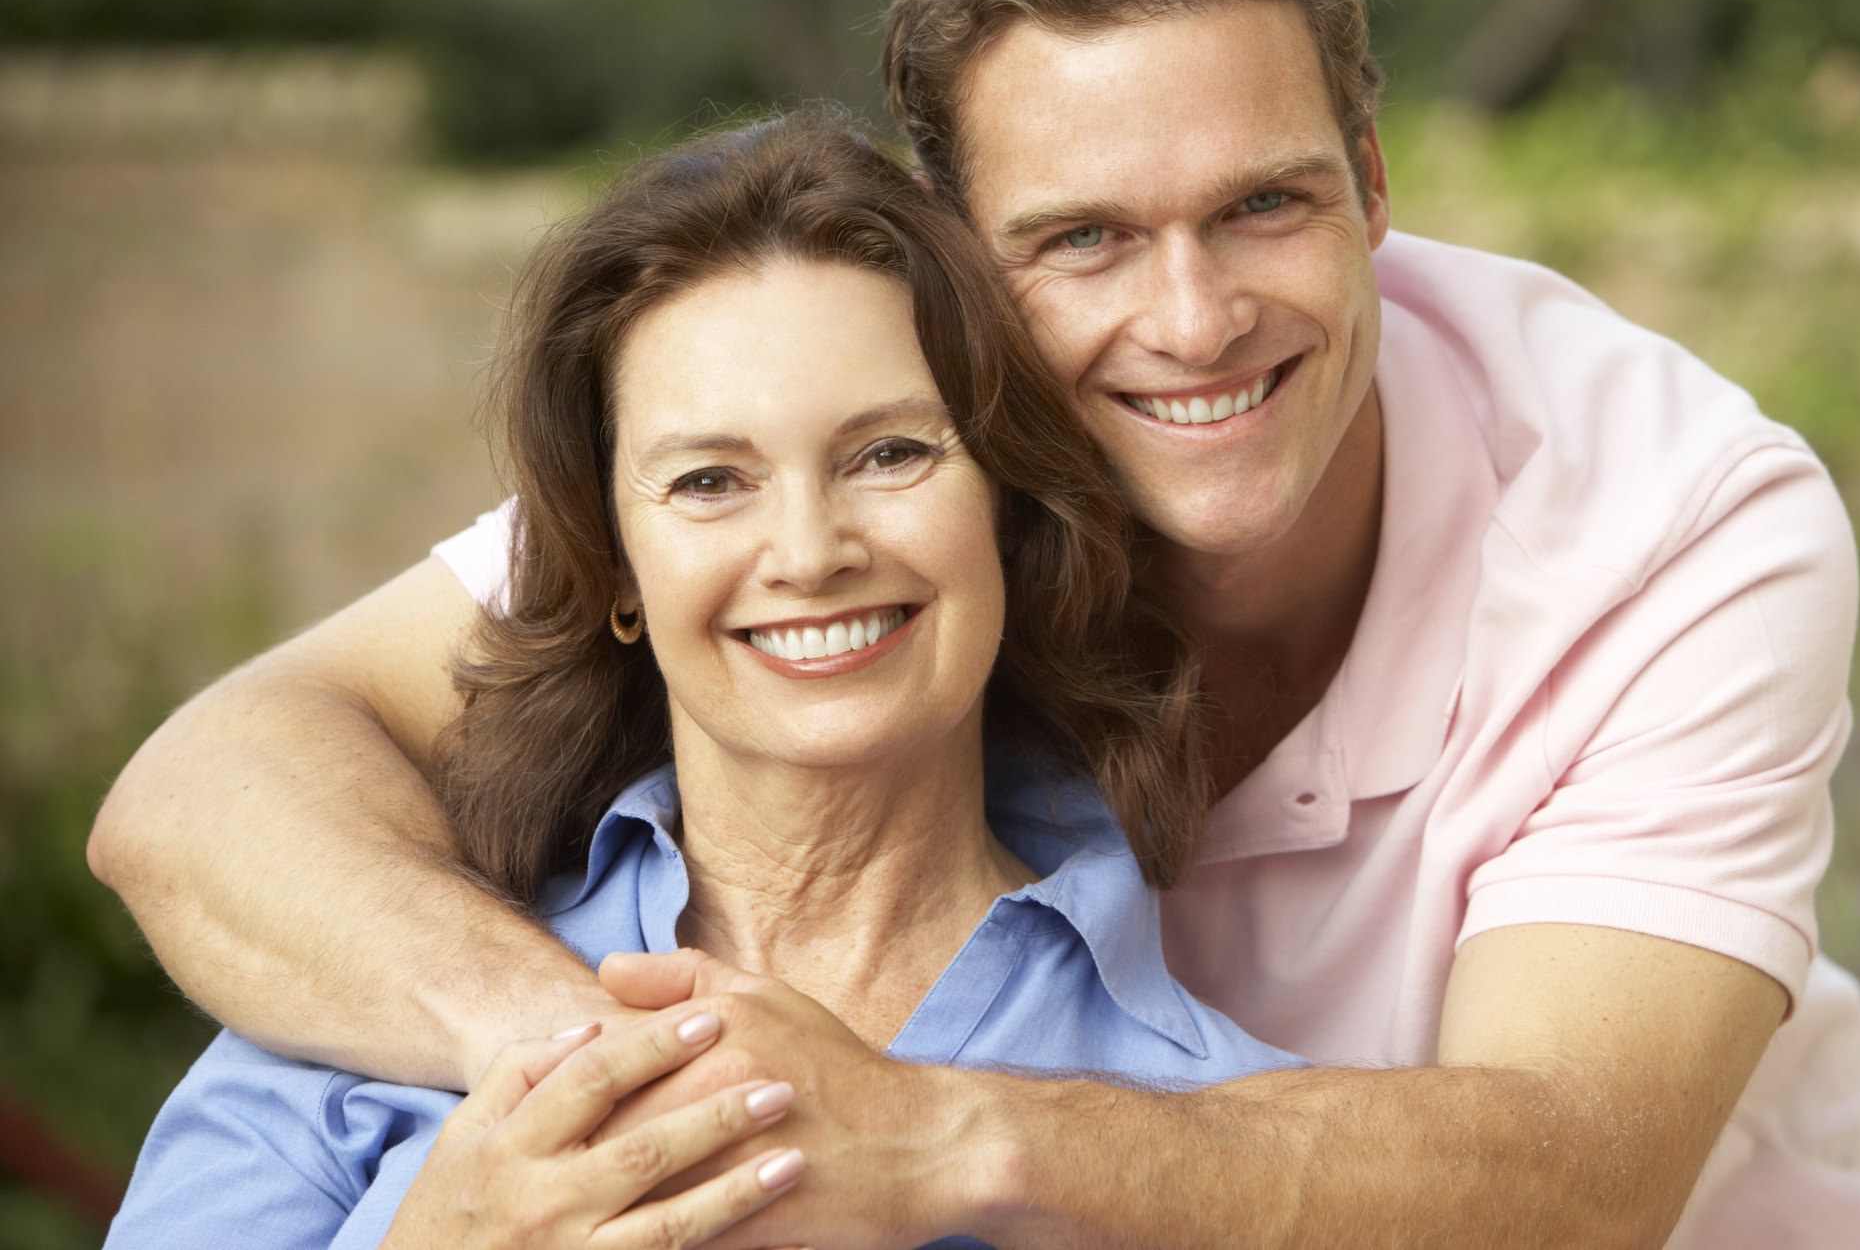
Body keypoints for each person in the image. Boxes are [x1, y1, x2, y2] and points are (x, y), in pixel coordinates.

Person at [91, 0, 1860, 1250]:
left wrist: (936, 1135)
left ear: (1375, 187)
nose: (1194, 314)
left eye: (1265, 206)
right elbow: (201, 797)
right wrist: (601, 1076)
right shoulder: (854, 465)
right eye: (1080, 239)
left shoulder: (1668, 516)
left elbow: (1579, 1177)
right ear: (950, 261)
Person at [104, 113, 1305, 1250]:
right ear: (612, 566)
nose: (808, 552)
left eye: (888, 453)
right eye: (707, 482)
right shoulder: (366, 990)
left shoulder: (1204, 1140)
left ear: (1006, 506)